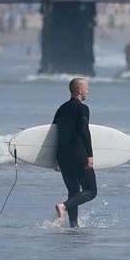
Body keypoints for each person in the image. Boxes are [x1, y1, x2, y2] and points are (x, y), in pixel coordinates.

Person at [52, 77, 97, 228]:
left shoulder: (61, 108)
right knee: (91, 190)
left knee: (73, 190)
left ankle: (74, 225)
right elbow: (84, 132)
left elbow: (54, 134)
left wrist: (55, 160)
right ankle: (63, 206)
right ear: (79, 90)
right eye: (87, 88)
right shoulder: (82, 108)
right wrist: (90, 155)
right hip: (78, 153)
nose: (88, 91)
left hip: (62, 154)